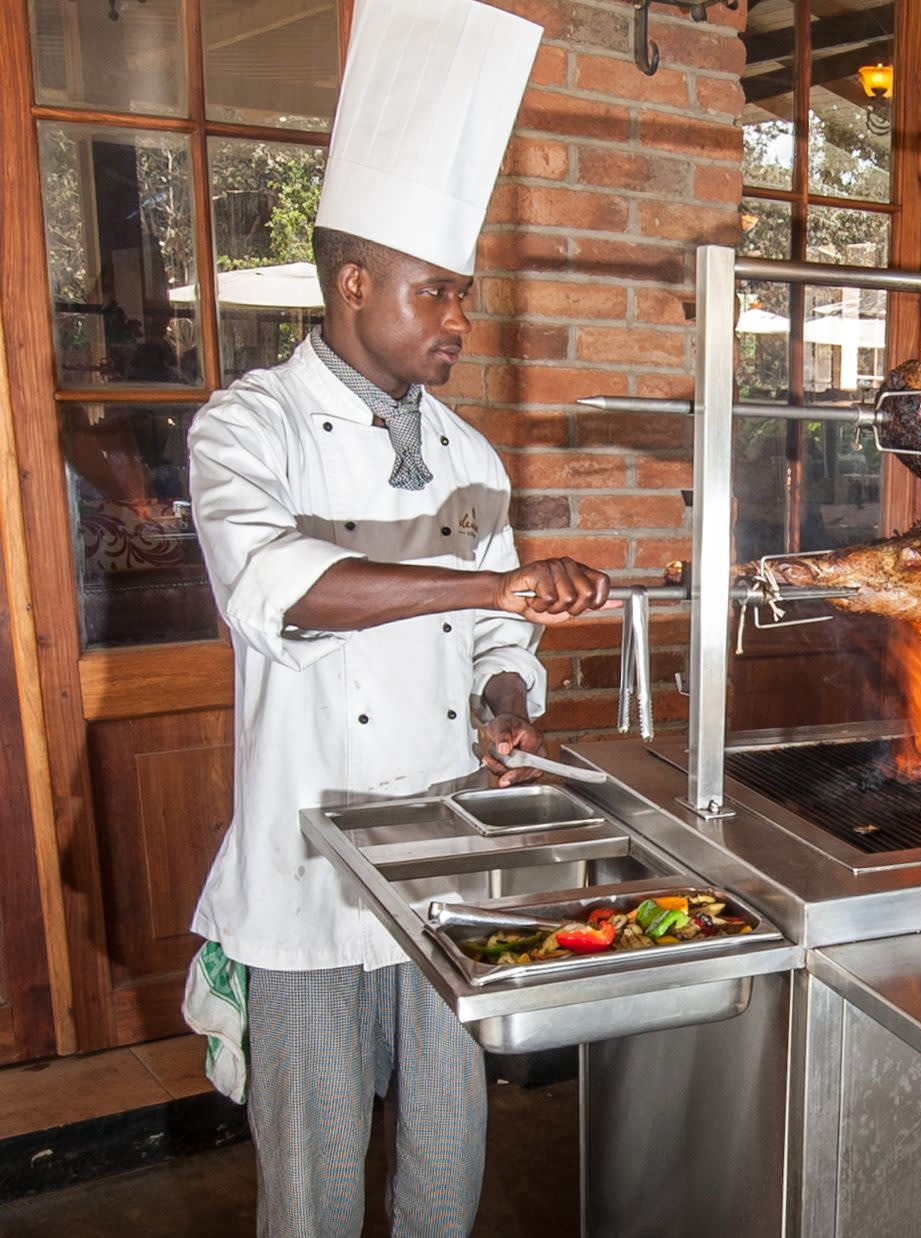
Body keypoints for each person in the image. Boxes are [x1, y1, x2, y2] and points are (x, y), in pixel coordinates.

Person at [182, 1, 601, 1233]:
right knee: (308, 1182)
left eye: (464, 296)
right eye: (436, 295)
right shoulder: (244, 424)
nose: (458, 322)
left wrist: (509, 701)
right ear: (355, 282)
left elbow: (496, 641)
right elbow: (276, 585)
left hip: (445, 855)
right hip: (307, 866)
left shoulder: (471, 451)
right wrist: (494, 585)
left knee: (446, 1152)